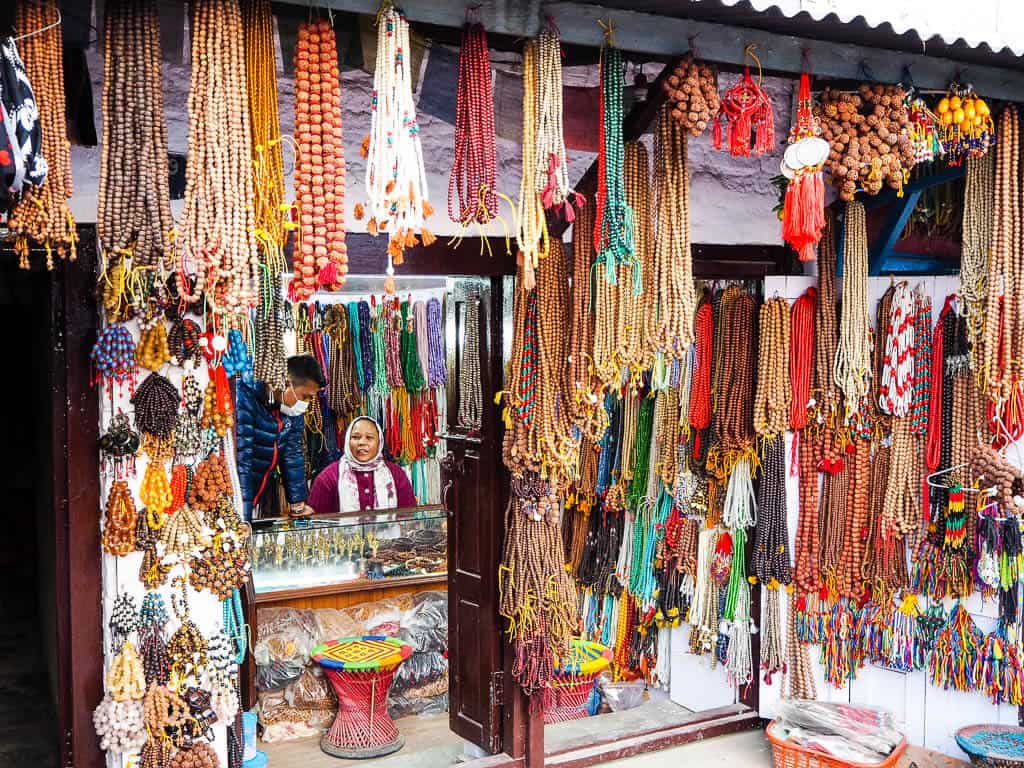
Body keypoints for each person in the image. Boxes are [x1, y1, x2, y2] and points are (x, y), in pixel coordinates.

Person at [236, 355, 325, 520]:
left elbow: (292, 452)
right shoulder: (245, 397)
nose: (306, 403)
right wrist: (244, 519)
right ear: (286, 383)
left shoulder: (290, 408)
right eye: (306, 396)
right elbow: (243, 463)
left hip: (256, 493)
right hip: (236, 495)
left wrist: (298, 503)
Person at [305, 416, 415, 514]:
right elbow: (317, 522)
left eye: (369, 437)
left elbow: (409, 517)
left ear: (379, 442)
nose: (362, 442)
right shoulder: (329, 477)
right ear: (348, 440)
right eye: (356, 437)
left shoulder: (396, 474)